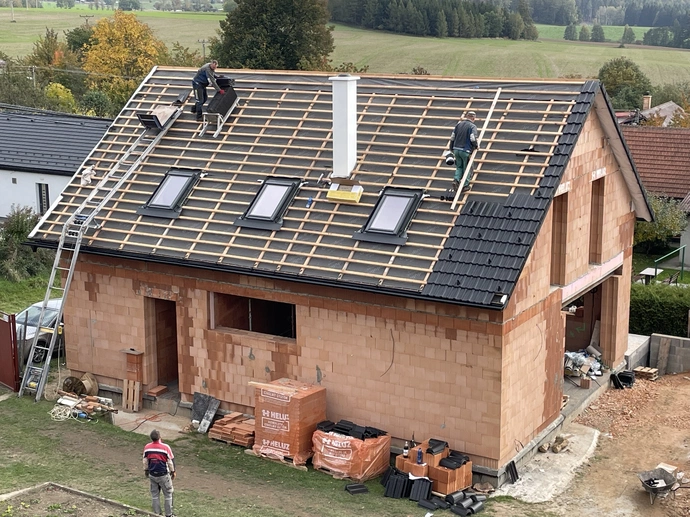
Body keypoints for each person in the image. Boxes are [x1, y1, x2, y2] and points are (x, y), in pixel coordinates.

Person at [143, 429, 176, 517]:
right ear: (159, 437)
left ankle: (157, 513)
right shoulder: (166, 447)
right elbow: (170, 462)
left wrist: (146, 470)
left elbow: (145, 461)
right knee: (168, 494)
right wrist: (173, 471)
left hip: (152, 474)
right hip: (163, 475)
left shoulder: (147, 447)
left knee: (155, 494)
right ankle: (169, 514)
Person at [448, 111, 479, 191]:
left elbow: (452, 137)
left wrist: (451, 148)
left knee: (459, 166)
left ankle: (456, 180)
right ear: (473, 117)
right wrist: (476, 146)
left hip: (456, 150)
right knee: (467, 168)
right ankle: (465, 185)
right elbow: (472, 138)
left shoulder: (458, 125)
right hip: (465, 150)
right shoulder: (472, 126)